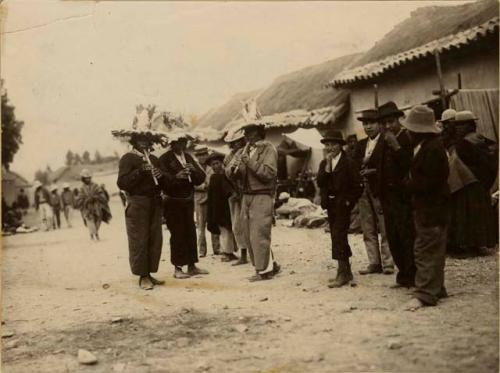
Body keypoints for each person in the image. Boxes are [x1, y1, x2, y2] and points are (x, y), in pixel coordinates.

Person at [402, 105, 450, 310]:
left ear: (419, 130)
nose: (408, 133)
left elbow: (429, 183)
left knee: (425, 248)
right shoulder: (427, 146)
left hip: (431, 207)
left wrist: (405, 185)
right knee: (435, 248)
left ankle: (425, 293)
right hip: (433, 207)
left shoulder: (432, 150)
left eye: (410, 129)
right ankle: (437, 287)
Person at [232, 123, 280, 282]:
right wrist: (234, 168)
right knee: (248, 233)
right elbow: (229, 173)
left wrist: (249, 162)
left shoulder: (268, 149)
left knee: (260, 233)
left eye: (250, 132)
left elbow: (269, 173)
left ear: (259, 133)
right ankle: (269, 266)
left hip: (262, 195)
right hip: (246, 196)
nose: (246, 135)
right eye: (245, 132)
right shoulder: (243, 150)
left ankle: (263, 271)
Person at [446, 110, 498, 257]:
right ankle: (477, 244)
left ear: (469, 125)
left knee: (466, 214)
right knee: (475, 214)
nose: (457, 128)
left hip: (468, 183)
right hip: (477, 182)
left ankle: (468, 245)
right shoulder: (480, 140)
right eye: (456, 125)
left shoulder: (465, 142)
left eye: (460, 125)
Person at [117, 133, 165, 290]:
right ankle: (142, 277)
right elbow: (122, 183)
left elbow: (163, 183)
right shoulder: (128, 158)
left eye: (147, 140)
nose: (144, 143)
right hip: (138, 203)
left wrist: (161, 175)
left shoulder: (155, 159)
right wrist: (139, 172)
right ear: (135, 141)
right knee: (140, 239)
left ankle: (149, 273)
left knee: (154, 238)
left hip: (155, 202)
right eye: (141, 140)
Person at [159, 134, 209, 279]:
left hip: (187, 201)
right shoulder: (164, 159)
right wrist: (176, 177)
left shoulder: (188, 157)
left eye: (184, 142)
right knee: (177, 233)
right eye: (178, 143)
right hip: (172, 201)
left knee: (190, 231)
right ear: (171, 143)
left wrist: (192, 170)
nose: (181, 146)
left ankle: (192, 265)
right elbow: (161, 180)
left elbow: (200, 178)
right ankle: (178, 268)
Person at [378, 101, 416, 288]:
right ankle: (402, 274)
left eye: (391, 122)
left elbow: (410, 165)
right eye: (384, 123)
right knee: (393, 235)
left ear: (399, 120)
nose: (388, 126)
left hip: (403, 196)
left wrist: (396, 147)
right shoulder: (384, 139)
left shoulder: (406, 138)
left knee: (406, 235)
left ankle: (412, 275)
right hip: (388, 196)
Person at [317, 130, 363, 288]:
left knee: (338, 235)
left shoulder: (348, 162)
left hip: (343, 204)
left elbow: (358, 186)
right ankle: (346, 271)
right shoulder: (324, 163)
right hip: (330, 205)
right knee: (337, 236)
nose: (330, 148)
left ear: (340, 146)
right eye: (327, 145)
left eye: (334, 144)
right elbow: (321, 183)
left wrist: (349, 201)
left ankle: (342, 273)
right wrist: (327, 168)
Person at [355, 109, 394, 275]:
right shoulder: (360, 145)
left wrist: (373, 171)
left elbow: (390, 166)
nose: (368, 126)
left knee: (385, 226)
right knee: (367, 226)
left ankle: (388, 263)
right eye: (365, 124)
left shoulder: (386, 142)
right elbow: (354, 164)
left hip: (380, 188)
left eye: (371, 123)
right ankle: (374, 262)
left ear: (379, 124)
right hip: (363, 190)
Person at [206, 151, 239, 262]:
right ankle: (226, 252)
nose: (216, 166)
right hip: (219, 208)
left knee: (229, 229)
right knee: (224, 230)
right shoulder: (214, 178)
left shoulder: (225, 175)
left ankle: (230, 251)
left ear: (222, 163)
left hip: (226, 206)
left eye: (217, 163)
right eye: (213, 164)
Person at [224, 129, 249, 265]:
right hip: (234, 195)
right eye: (232, 143)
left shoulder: (248, 152)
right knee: (237, 226)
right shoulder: (228, 157)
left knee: (250, 224)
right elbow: (226, 177)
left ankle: (255, 254)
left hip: (247, 192)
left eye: (238, 142)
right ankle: (243, 254)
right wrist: (232, 192)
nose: (235, 145)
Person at [193, 145, 221, 257]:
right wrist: (203, 186)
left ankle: (217, 248)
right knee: (201, 226)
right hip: (200, 199)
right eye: (200, 155)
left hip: (212, 198)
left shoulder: (212, 166)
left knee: (214, 223)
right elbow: (191, 184)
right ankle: (202, 250)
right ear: (197, 156)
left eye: (204, 154)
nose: (203, 157)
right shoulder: (194, 168)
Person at [75, 169, 111, 240]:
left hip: (96, 205)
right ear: (83, 179)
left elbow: (101, 194)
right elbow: (79, 198)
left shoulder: (95, 185)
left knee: (98, 219)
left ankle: (95, 232)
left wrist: (95, 197)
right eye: (86, 178)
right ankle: (94, 235)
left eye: (89, 178)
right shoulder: (81, 188)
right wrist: (86, 200)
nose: (88, 179)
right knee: (90, 220)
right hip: (87, 207)